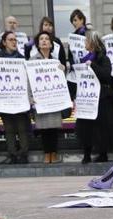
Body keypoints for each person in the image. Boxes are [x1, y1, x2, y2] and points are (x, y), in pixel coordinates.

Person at [78, 30, 113, 163]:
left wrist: (92, 65)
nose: (84, 43)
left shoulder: (103, 58)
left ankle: (102, 153)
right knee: (86, 127)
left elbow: (106, 76)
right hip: (87, 98)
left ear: (92, 43)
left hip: (101, 99)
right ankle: (86, 153)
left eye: (86, 40)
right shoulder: (83, 59)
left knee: (101, 128)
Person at [0, 31, 30, 164]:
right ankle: (13, 154)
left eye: (15, 40)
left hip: (19, 99)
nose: (14, 42)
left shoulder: (22, 59)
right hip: (5, 99)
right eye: (10, 40)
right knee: (8, 129)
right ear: (4, 42)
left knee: (22, 128)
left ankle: (24, 154)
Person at [30, 31, 65, 164]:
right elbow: (29, 80)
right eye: (41, 39)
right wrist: (30, 97)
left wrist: (62, 70)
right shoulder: (32, 60)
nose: (44, 41)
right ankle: (46, 154)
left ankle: (54, 153)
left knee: (53, 127)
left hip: (53, 98)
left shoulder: (55, 61)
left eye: (46, 39)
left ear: (51, 44)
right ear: (38, 44)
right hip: (40, 99)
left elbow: (61, 81)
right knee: (44, 128)